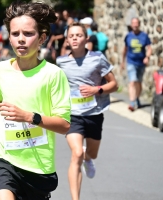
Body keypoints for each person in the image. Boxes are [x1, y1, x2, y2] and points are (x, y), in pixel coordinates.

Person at [0, 2, 71, 200]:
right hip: (3, 157)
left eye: (28, 34)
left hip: (38, 165)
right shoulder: (0, 69)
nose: (21, 40)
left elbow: (64, 125)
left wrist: (28, 116)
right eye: (15, 34)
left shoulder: (53, 74)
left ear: (42, 38)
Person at [56, 22, 118, 200]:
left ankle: (88, 159)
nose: (74, 38)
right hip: (72, 115)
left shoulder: (98, 58)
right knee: (76, 154)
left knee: (91, 153)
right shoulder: (61, 62)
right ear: (67, 40)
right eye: (71, 36)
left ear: (86, 38)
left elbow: (114, 85)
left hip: (94, 113)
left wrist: (96, 90)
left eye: (78, 35)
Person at [121, 17, 152, 111]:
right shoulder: (128, 36)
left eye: (136, 23)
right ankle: (132, 102)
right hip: (131, 62)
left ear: (139, 24)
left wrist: (147, 57)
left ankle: (137, 97)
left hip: (141, 63)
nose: (135, 25)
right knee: (132, 82)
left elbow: (149, 48)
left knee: (138, 83)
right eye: (133, 23)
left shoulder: (144, 36)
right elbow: (125, 50)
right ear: (131, 25)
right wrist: (122, 62)